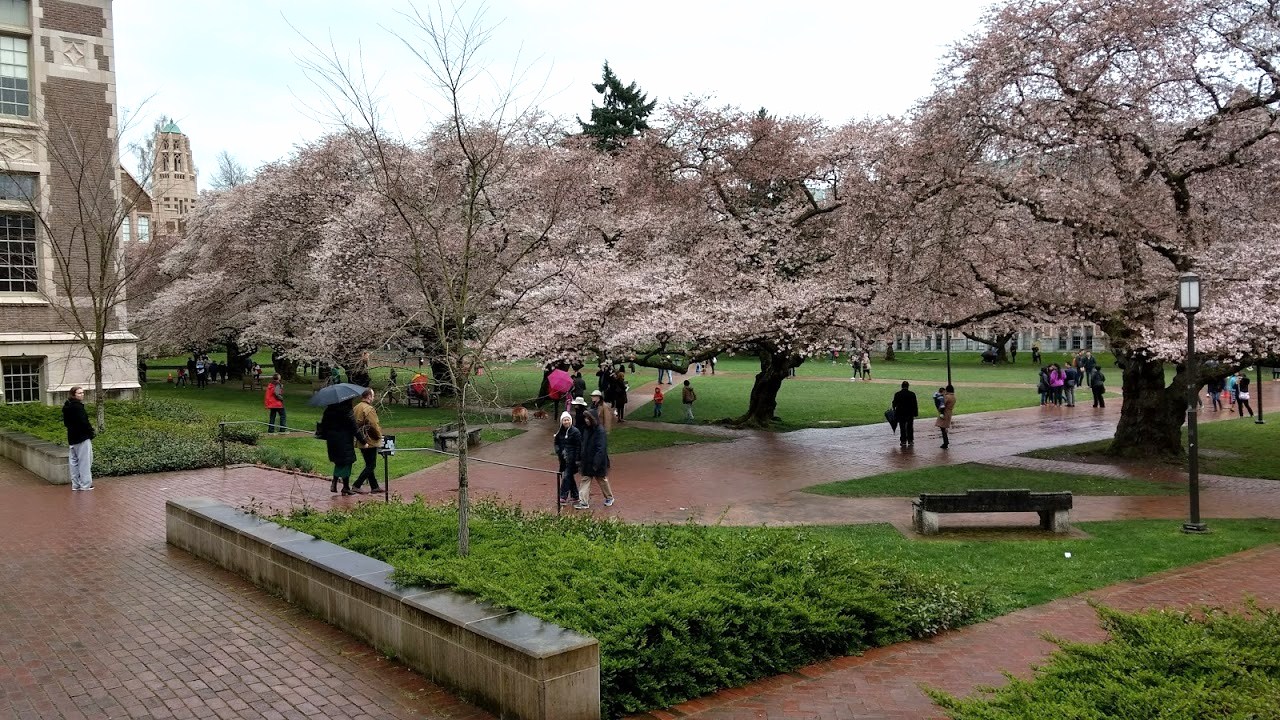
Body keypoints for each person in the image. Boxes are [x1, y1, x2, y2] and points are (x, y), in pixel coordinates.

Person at [575, 409, 614, 509]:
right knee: (585, 479)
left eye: (588, 418)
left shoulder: (600, 431)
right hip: (587, 461)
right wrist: (580, 458)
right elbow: (583, 445)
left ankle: (609, 497)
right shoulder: (586, 430)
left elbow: (601, 448)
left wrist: (596, 463)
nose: (586, 420)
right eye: (585, 418)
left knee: (602, 479)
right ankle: (583, 502)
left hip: (597, 461)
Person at [321, 399, 358, 495]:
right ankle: (343, 486)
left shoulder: (329, 410)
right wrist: (363, 441)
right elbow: (354, 428)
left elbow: (323, 425)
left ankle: (339, 484)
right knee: (347, 462)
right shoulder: (347, 411)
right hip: (345, 440)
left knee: (339, 461)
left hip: (332, 440)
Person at [62, 386, 95, 491]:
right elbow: (84, 422)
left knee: (74, 462)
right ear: (74, 395)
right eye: (79, 393)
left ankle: (75, 484)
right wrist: (90, 432)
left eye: (83, 393)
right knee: (85, 461)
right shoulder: (78, 407)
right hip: (82, 437)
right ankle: (85, 484)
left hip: (72, 437)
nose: (82, 395)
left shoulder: (67, 406)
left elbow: (66, 423)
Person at [352, 388, 383, 493]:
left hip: (360, 439)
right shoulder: (369, 409)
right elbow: (374, 424)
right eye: (373, 396)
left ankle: (374, 486)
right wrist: (379, 436)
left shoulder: (356, 407)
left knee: (369, 464)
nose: (373, 398)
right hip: (370, 440)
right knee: (371, 465)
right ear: (369, 396)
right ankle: (357, 484)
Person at [555, 411, 582, 505]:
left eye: (568, 420)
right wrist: (558, 450)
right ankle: (575, 496)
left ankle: (563, 496)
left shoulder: (575, 432)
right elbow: (556, 442)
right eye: (564, 420)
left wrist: (577, 459)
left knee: (566, 476)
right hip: (563, 459)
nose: (566, 422)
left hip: (572, 459)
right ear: (561, 421)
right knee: (569, 477)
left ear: (571, 420)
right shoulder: (560, 432)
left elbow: (579, 446)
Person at [892, 381, 919, 447]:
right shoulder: (912, 394)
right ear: (908, 386)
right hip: (910, 413)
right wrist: (915, 413)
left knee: (902, 427)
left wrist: (895, 411)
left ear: (902, 386)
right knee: (910, 427)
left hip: (900, 413)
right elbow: (915, 404)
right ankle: (910, 440)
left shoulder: (897, 394)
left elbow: (894, 404)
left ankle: (903, 441)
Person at [936, 385, 956, 449]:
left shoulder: (947, 397)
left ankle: (945, 442)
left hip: (945, 413)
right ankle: (946, 442)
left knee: (942, 428)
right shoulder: (953, 397)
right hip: (949, 412)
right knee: (943, 427)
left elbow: (942, 404)